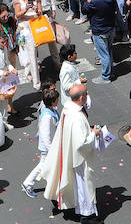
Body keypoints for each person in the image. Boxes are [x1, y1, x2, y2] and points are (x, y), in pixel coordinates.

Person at [41, 83, 104, 224]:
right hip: (79, 159)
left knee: (78, 185)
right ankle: (87, 216)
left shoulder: (68, 108)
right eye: (86, 94)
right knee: (84, 187)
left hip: (69, 153)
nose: (87, 96)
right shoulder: (76, 117)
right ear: (81, 97)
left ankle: (79, 210)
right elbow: (81, 143)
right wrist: (94, 134)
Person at [82, 0, 119, 81]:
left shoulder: (96, 0)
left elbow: (84, 9)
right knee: (109, 50)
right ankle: (111, 72)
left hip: (99, 30)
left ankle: (105, 76)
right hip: (111, 28)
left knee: (104, 54)